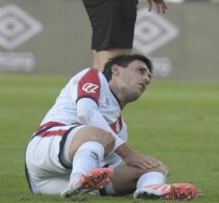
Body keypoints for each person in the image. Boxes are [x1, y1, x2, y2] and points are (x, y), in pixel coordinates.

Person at [25, 54, 200, 200]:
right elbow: (86, 112)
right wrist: (128, 154)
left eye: (149, 76)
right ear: (116, 69)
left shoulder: (120, 127)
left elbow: (109, 169)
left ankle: (151, 189)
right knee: (101, 136)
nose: (146, 78)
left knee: (155, 167)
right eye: (141, 71)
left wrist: (148, 170)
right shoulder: (94, 77)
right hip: (43, 152)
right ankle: (79, 178)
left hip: (53, 184)